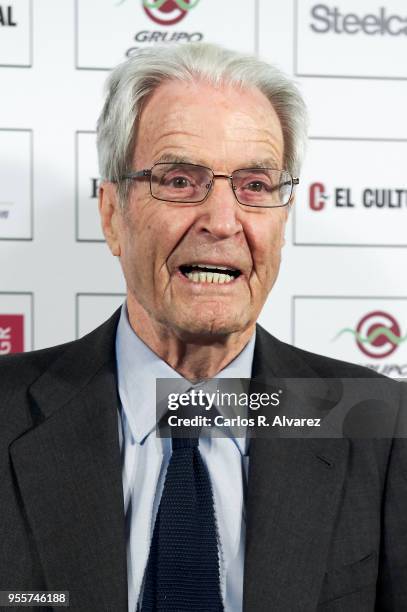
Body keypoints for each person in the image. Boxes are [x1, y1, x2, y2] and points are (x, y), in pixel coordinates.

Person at [1, 42, 406, 612]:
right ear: (113, 215)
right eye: (180, 180)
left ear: (283, 220)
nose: (221, 222)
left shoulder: (382, 430)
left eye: (256, 186)